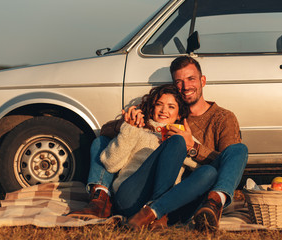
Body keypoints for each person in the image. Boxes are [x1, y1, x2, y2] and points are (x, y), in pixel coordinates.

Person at [71, 56, 248, 231]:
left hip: (184, 192)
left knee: (217, 166)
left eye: (191, 79)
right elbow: (108, 143)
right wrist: (128, 125)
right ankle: (103, 199)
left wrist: (193, 148)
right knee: (101, 141)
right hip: (138, 193)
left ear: (202, 81)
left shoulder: (219, 119)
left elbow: (226, 165)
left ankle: (210, 203)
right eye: (179, 81)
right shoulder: (147, 123)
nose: (185, 86)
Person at [68, 84, 218, 230]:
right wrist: (129, 129)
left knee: (209, 172)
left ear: (179, 114)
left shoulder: (185, 137)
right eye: (159, 105)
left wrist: (187, 147)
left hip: (167, 202)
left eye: (171, 107)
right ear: (152, 109)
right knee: (176, 141)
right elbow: (111, 164)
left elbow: (202, 169)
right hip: (131, 197)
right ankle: (156, 211)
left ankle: (156, 211)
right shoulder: (139, 131)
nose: (164, 110)